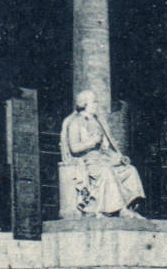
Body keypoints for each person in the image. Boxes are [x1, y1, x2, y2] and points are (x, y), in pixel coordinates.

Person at [59, 89, 144, 217]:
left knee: (130, 170)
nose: (96, 104)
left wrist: (119, 158)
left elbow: (106, 148)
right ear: (84, 104)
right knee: (106, 171)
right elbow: (74, 148)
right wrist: (92, 142)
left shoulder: (98, 121)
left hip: (104, 159)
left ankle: (129, 206)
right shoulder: (75, 122)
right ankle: (119, 209)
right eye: (94, 102)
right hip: (89, 162)